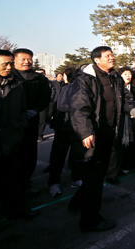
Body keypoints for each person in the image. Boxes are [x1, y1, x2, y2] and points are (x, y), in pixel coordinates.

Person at [68, 46, 135, 232]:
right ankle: (90, 220)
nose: (113, 57)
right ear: (97, 60)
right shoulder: (84, 80)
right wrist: (85, 132)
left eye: (112, 54)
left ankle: (76, 203)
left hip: (109, 134)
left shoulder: (115, 78)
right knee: (93, 178)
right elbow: (78, 107)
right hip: (91, 136)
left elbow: (125, 98)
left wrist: (131, 109)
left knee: (96, 176)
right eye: (108, 55)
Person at [0, 50, 38, 223]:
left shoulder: (16, 84)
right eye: (5, 64)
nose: (9, 67)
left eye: (11, 63)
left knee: (13, 178)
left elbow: (21, 110)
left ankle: (16, 209)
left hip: (11, 139)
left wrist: (20, 130)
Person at [12, 48, 51, 192]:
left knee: (29, 154)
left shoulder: (39, 78)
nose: (27, 62)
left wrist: (34, 110)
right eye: (23, 59)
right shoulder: (9, 76)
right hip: (11, 122)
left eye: (29, 59)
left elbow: (45, 96)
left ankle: (25, 182)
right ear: (14, 60)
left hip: (31, 120)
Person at [48, 67, 83, 197]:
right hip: (64, 127)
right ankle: (53, 183)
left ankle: (76, 179)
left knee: (77, 156)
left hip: (78, 128)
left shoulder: (85, 88)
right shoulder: (67, 88)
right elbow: (61, 106)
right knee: (59, 156)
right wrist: (79, 107)